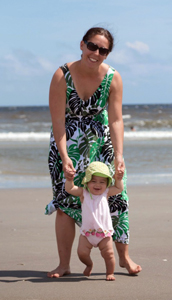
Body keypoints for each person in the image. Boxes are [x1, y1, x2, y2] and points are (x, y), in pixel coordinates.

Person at [45, 26, 142, 278]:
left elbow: (117, 120)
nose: (96, 53)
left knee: (117, 199)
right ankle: (64, 264)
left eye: (103, 50)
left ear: (107, 54)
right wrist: (65, 156)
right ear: (82, 45)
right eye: (92, 46)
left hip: (103, 147)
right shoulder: (61, 75)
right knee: (66, 202)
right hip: (68, 146)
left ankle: (124, 258)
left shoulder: (113, 77)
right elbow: (58, 122)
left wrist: (119, 155)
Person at [65, 161, 124, 281]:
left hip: (104, 234)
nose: (98, 185)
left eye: (102, 182)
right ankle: (89, 264)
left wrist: (118, 179)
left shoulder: (106, 193)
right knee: (82, 253)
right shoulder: (84, 193)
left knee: (109, 254)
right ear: (87, 181)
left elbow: (118, 188)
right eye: (93, 181)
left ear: (107, 183)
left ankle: (110, 272)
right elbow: (70, 189)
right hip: (87, 234)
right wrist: (69, 179)